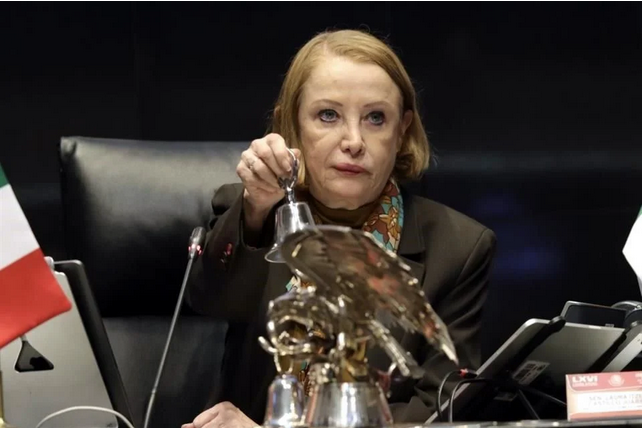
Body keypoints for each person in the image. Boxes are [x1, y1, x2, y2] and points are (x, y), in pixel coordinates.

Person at [182, 29, 497, 428]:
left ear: (401, 130)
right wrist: (255, 208)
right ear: (292, 123)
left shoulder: (458, 248)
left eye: (376, 118)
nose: (354, 141)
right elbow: (208, 301)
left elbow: (442, 407)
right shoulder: (251, 212)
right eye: (328, 115)